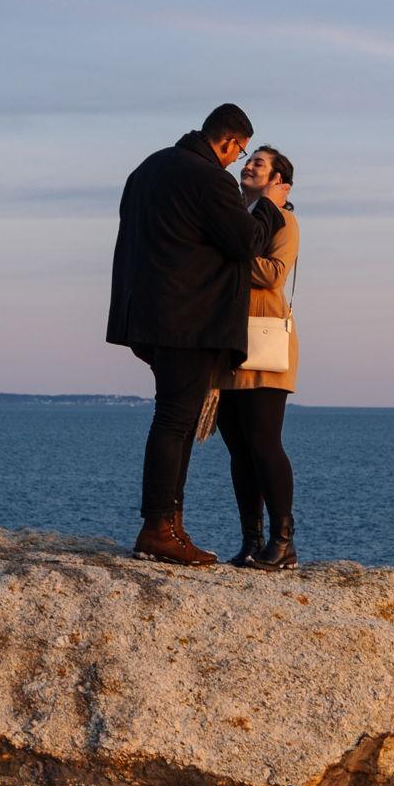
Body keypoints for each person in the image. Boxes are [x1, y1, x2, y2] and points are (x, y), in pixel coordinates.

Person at [105, 104, 268, 565]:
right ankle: (159, 526)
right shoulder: (208, 177)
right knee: (175, 420)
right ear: (228, 142)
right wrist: (268, 210)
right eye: (239, 152)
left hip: (148, 313)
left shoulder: (148, 168)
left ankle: (170, 523)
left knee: (173, 416)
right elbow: (245, 241)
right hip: (189, 318)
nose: (238, 162)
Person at [217, 146, 298, 569]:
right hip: (229, 342)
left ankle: (284, 543)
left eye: (260, 163)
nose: (249, 165)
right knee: (238, 449)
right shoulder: (236, 218)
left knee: (265, 443)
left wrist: (224, 260)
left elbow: (272, 274)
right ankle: (253, 539)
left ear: (278, 180)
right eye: (250, 161)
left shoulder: (284, 219)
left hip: (264, 341)